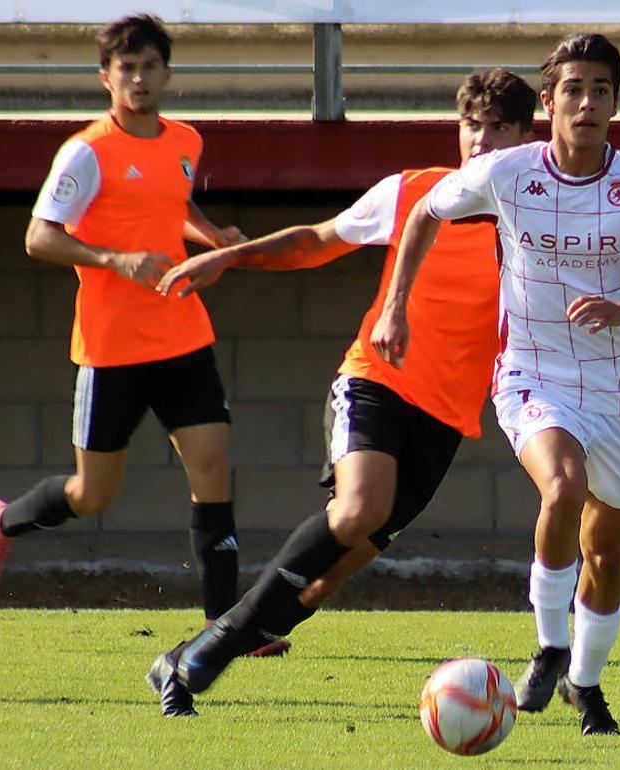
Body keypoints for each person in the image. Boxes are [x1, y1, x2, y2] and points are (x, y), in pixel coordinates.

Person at [144, 69, 537, 717]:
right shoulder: (413, 191)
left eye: (499, 127)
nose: (482, 140)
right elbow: (319, 240)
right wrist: (230, 257)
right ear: (457, 128)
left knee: (327, 578)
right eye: (473, 124)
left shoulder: (535, 218)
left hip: (446, 421)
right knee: (358, 509)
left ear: (525, 137)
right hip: (377, 380)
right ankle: (210, 655)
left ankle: (184, 657)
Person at [370, 33, 620, 736]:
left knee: (607, 553)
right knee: (563, 486)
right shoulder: (509, 171)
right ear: (549, 104)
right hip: (532, 370)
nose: (587, 103)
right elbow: (427, 211)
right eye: (574, 90)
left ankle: (586, 685)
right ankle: (551, 645)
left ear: (616, 102)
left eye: (601, 90)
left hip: (616, 385)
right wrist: (396, 306)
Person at [0, 15, 288, 657]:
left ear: (168, 73)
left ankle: (224, 628)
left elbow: (175, 205)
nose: (138, 78)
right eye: (126, 68)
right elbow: (39, 236)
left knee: (213, 468)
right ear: (105, 77)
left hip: (183, 333)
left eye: (150, 66)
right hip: (111, 349)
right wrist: (115, 259)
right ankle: (2, 521)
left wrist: (213, 239)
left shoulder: (187, 139)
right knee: (92, 493)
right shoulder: (87, 151)